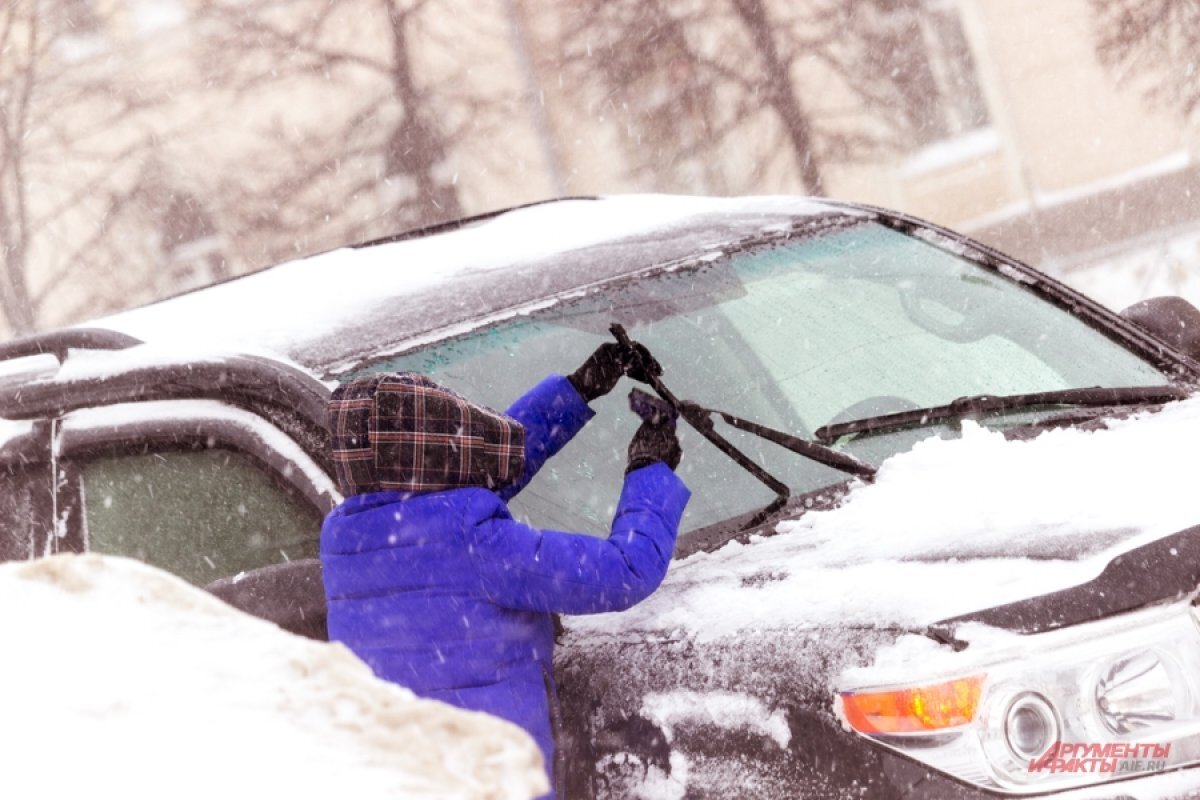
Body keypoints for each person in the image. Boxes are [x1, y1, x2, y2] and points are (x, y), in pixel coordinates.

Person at [319, 342, 691, 799]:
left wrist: (577, 391)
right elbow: (625, 570)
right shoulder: (474, 542)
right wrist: (650, 467)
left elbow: (481, 471)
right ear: (441, 455)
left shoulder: (345, 539)